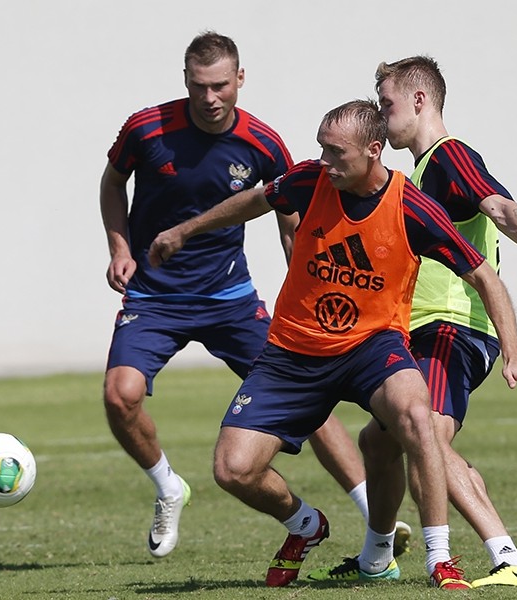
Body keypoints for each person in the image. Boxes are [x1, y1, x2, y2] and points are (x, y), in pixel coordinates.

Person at [148, 99, 517, 588]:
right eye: (321, 149)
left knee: (417, 417)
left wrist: (516, 355)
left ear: (373, 151)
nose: (325, 161)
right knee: (233, 469)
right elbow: (255, 200)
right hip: (293, 351)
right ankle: (305, 526)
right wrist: (184, 230)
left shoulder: (412, 206)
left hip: (371, 348)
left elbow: (484, 274)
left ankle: (440, 557)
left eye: (336, 152)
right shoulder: (308, 180)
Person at [307, 55, 517, 587]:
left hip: (451, 330)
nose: (381, 112)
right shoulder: (415, 174)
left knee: (429, 443)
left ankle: (508, 558)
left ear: (419, 101)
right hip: (417, 331)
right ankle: (377, 558)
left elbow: (497, 206)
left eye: (387, 102)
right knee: (379, 442)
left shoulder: (450, 156)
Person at [99, 31, 366, 560]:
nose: (210, 97)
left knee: (309, 400)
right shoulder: (146, 128)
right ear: (185, 81)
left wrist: (305, 289)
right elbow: (112, 183)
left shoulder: (263, 145)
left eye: (221, 85)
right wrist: (119, 247)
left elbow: (293, 222)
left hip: (231, 300)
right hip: (154, 297)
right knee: (119, 395)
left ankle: (374, 516)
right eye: (199, 86)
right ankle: (169, 487)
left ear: (239, 79)